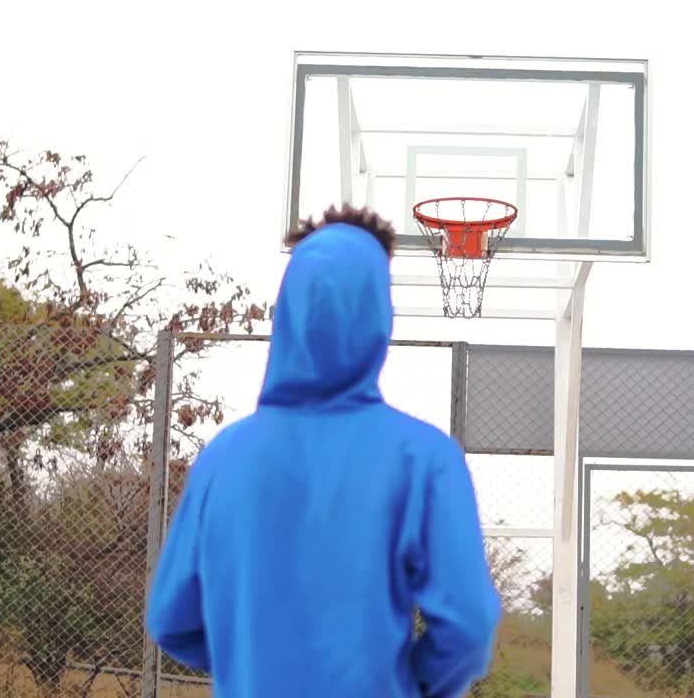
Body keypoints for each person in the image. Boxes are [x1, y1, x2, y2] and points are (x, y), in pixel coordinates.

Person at [146, 205, 501, 697]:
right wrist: (407, 683)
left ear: (288, 309)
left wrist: (256, 662)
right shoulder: (424, 459)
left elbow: (171, 620)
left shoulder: (221, 460)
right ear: (379, 313)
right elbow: (467, 624)